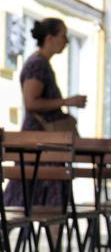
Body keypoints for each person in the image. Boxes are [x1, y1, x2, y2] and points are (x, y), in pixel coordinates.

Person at [4, 17, 86, 210]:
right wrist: (67, 101)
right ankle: (46, 239)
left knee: (37, 198)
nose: (66, 41)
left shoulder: (40, 64)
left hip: (43, 144)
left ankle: (45, 238)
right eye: (63, 35)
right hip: (40, 144)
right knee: (39, 199)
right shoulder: (37, 65)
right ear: (49, 38)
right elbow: (31, 102)